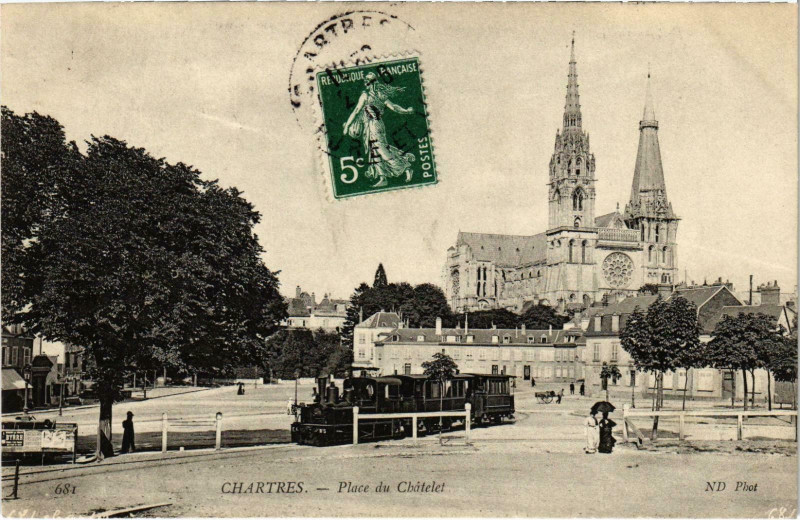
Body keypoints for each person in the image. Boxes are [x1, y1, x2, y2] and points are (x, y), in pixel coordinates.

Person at [342, 72, 416, 187]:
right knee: (374, 150)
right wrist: (405, 110)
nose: (365, 82)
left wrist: (347, 126)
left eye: (367, 80)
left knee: (381, 150)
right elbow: (393, 107)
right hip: (373, 125)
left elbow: (357, 111)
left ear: (372, 82)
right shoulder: (376, 94)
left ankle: (405, 166)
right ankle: (383, 178)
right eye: (365, 80)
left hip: (374, 125)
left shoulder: (367, 95)